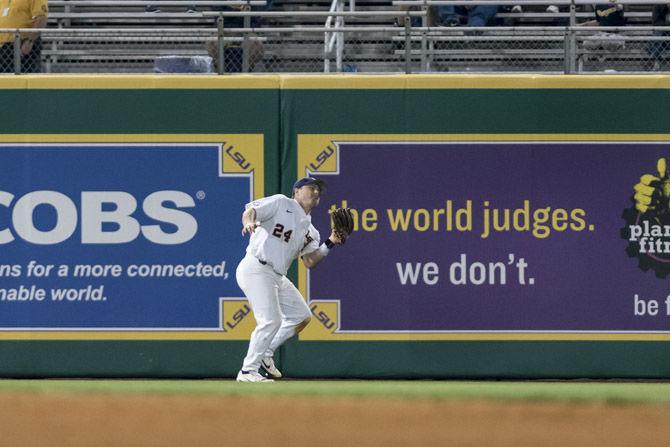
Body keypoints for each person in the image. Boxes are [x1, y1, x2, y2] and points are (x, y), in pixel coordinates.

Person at [235, 177, 343, 382]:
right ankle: (248, 371)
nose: (316, 192)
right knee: (271, 320)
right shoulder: (281, 202)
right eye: (311, 188)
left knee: (301, 316)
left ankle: (266, 352)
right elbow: (251, 212)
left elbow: (310, 261)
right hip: (256, 267)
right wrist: (248, 222)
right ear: (297, 191)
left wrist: (331, 242)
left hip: (277, 275)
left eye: (318, 190)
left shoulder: (312, 231)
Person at [0, 0, 48, 73]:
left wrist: (29, 41)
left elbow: (41, 18)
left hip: (22, 43)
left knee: (23, 75)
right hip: (3, 47)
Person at [646, 3, 670, 71]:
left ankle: (656, 60)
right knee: (658, 33)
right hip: (663, 34)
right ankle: (657, 60)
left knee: (653, 40)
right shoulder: (658, 6)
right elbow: (656, 23)